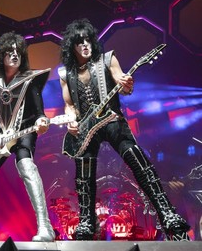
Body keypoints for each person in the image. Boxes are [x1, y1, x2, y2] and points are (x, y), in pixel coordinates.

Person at [58, 18, 190, 241]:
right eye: (80, 41)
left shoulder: (107, 58)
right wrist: (71, 120)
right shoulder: (66, 74)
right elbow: (69, 104)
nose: (85, 44)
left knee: (139, 162)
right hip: (86, 129)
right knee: (84, 174)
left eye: (88, 40)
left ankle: (167, 214)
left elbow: (122, 81)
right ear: (72, 45)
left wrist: (126, 84)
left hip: (112, 120)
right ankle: (86, 222)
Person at [0, 32, 55, 242]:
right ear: (2, 55)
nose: (15, 55)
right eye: (10, 51)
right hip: (0, 136)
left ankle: (45, 227)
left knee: (25, 164)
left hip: (24, 131)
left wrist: (42, 122)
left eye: (18, 52)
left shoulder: (29, 81)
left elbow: (40, 113)